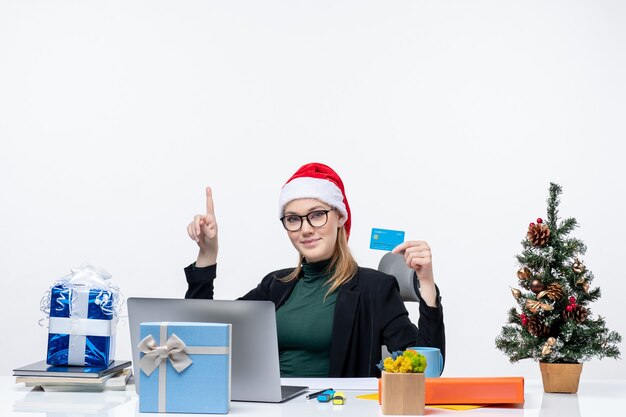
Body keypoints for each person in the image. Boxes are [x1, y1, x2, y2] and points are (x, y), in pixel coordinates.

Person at [184, 162, 445, 377]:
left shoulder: (374, 288)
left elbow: (426, 372)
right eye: (293, 219)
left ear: (340, 217)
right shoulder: (274, 286)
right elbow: (200, 337)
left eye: (317, 214)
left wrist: (427, 286)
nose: (306, 228)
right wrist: (207, 255)